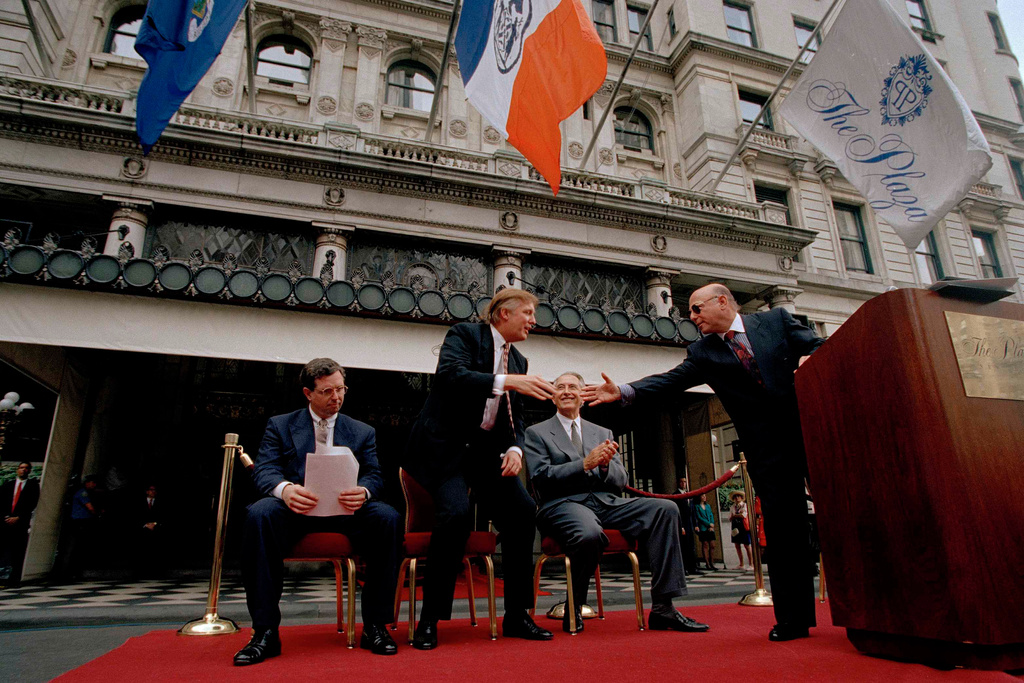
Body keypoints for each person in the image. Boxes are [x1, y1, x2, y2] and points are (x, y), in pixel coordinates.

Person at [581, 282, 826, 642]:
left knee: (847, 517)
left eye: (696, 309)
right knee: (784, 531)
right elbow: (669, 382)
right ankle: (794, 619)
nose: (691, 317)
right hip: (768, 452)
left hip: (815, 432)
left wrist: (811, 358)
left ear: (722, 302)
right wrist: (624, 391)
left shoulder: (775, 321)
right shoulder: (704, 351)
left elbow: (819, 346)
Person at [402, 288, 556, 650]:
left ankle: (518, 616)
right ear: (504, 313)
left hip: (486, 454)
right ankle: (430, 619)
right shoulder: (464, 335)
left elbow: (513, 414)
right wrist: (506, 381)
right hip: (445, 450)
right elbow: (451, 376)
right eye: (529, 313)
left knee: (521, 513)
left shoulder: (519, 359)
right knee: (454, 515)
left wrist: (516, 447)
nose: (534, 320)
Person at [235, 358, 402, 665]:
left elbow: (375, 475)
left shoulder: (362, 431)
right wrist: (286, 490)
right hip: (296, 510)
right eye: (327, 391)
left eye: (341, 389)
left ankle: (376, 626)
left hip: (346, 510)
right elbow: (265, 471)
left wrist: (363, 491)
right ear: (308, 393)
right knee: (260, 514)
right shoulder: (281, 425)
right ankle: (265, 633)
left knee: (387, 517)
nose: (336, 397)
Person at [524, 372, 710, 635]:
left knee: (665, 509)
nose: (566, 391)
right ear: (553, 396)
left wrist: (602, 468)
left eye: (573, 387)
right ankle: (575, 603)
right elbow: (540, 478)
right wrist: (583, 464)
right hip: (562, 504)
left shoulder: (602, 432)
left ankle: (663, 608)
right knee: (588, 532)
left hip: (606, 502)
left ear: (583, 395)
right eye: (560, 387)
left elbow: (621, 479)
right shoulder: (536, 432)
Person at [1, 462, 40, 586]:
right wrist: (6, 516)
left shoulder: (33, 486)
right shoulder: (8, 485)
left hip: (20, 522)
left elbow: (32, 503)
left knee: (18, 550)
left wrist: (19, 517)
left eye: (26, 468)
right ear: (17, 470)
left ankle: (15, 577)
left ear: (29, 471)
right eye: (21, 468)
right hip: (5, 521)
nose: (23, 470)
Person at [66, 475, 101, 581]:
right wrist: (97, 514)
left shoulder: (87, 493)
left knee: (81, 546)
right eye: (93, 482)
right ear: (87, 483)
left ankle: (76, 571)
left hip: (84, 521)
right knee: (78, 546)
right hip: (80, 522)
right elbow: (90, 507)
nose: (94, 485)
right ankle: (72, 572)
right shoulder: (83, 493)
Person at [134, 484, 165, 577]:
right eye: (151, 490)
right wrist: (145, 524)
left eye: (154, 490)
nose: (153, 492)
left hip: (156, 530)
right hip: (143, 530)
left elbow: (163, 516)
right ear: (147, 491)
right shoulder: (139, 503)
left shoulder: (160, 503)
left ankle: (156, 571)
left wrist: (155, 524)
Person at [674, 477, 703, 576]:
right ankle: (684, 568)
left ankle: (693, 567)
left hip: (690, 524)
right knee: (684, 547)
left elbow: (693, 511)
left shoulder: (689, 495)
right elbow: (677, 512)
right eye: (681, 482)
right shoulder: (675, 495)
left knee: (691, 546)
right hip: (682, 524)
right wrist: (681, 526)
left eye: (685, 482)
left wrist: (695, 524)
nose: (683, 484)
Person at [729, 491, 753, 570]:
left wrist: (735, 515)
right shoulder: (732, 507)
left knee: (747, 545)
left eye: (738, 496)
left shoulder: (745, 505)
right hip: (735, 526)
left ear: (741, 497)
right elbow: (730, 517)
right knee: (737, 545)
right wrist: (737, 515)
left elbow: (744, 515)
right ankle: (741, 564)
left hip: (743, 526)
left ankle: (751, 564)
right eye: (735, 497)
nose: (737, 498)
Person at [693, 493, 717, 570]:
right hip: (703, 527)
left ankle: (712, 562)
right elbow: (699, 517)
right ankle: (707, 563)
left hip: (710, 527)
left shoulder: (708, 506)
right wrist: (708, 524)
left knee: (712, 545)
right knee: (705, 544)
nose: (704, 497)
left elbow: (711, 515)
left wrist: (712, 524)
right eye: (702, 496)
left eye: (705, 496)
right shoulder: (697, 507)